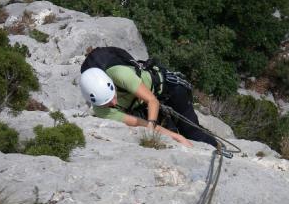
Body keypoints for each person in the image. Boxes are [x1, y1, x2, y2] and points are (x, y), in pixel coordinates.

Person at [80, 47, 217, 148]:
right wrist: (176, 137)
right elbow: (139, 123)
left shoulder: (121, 74)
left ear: (110, 82)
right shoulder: (101, 111)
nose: (114, 102)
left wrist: (151, 127)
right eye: (107, 103)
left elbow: (152, 101)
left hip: (169, 89)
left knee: (192, 133)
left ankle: (218, 150)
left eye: (112, 96)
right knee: (172, 137)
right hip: (143, 107)